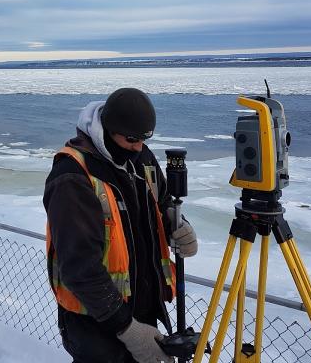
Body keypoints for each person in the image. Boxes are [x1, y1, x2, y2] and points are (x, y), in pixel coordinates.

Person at [44, 87, 198, 363]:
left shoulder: (142, 159)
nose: (138, 147)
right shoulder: (73, 178)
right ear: (108, 130)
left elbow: (160, 201)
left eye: (143, 139)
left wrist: (178, 225)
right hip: (97, 328)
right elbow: (80, 269)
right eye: (131, 139)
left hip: (144, 314)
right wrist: (128, 330)